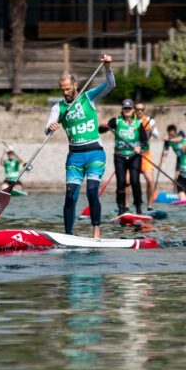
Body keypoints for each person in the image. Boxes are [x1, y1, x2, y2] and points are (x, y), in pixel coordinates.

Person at [45, 54, 115, 239]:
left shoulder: (88, 97)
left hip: (95, 154)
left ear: (75, 85)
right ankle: (68, 235)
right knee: (70, 197)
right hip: (75, 156)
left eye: (68, 88)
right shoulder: (58, 108)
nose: (65, 92)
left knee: (92, 192)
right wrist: (50, 127)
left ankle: (96, 232)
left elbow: (110, 85)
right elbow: (48, 127)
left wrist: (107, 67)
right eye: (62, 90)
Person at [100, 98, 148, 216]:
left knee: (135, 181)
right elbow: (101, 130)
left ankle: (138, 208)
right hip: (120, 156)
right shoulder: (116, 121)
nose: (127, 110)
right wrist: (102, 127)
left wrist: (140, 147)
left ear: (133, 110)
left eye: (129, 108)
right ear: (122, 109)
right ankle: (121, 209)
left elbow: (144, 140)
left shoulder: (138, 123)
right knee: (121, 183)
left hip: (134, 156)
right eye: (125, 108)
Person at [133, 102, 159, 209]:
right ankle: (125, 206)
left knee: (150, 180)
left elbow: (157, 135)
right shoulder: (130, 120)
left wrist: (152, 129)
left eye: (142, 109)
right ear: (134, 109)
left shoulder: (149, 120)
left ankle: (150, 206)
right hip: (132, 155)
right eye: (137, 109)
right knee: (128, 182)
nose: (140, 111)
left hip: (145, 155)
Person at [160, 124, 186, 200]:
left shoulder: (180, 133)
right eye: (170, 135)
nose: (171, 136)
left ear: (175, 132)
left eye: (172, 134)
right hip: (179, 158)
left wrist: (169, 139)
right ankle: (176, 194)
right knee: (176, 177)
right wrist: (162, 164)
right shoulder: (168, 140)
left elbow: (179, 139)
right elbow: (165, 153)